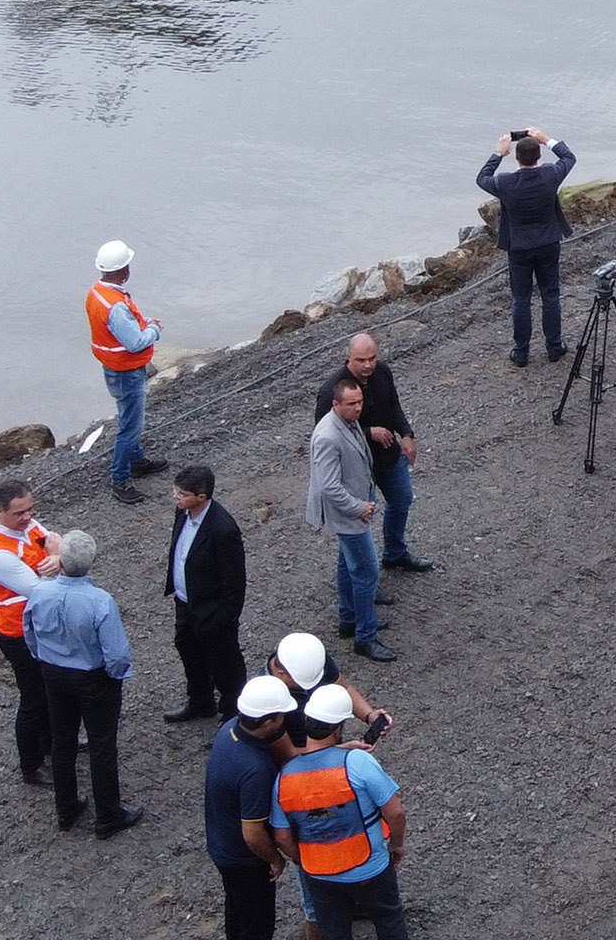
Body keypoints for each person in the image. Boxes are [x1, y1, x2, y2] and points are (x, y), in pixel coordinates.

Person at [26, 529, 142, 837]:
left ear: (59, 562)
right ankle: (108, 815)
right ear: (90, 563)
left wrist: (44, 658)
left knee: (62, 741)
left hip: (53, 672)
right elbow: (116, 653)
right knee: (101, 744)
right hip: (93, 677)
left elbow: (29, 632)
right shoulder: (100, 602)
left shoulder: (40, 593)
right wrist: (115, 676)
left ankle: (66, 809)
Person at [271, 684, 408, 938]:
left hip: (320, 876)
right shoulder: (357, 762)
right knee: (389, 920)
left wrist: (304, 860)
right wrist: (396, 845)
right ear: (338, 729)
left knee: (334, 931)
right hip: (370, 867)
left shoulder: (284, 778)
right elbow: (396, 813)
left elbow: (281, 837)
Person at [319, 333, 431, 575]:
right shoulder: (331, 390)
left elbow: (394, 406)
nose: (368, 365)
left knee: (402, 500)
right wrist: (370, 432)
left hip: (388, 455)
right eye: (361, 360)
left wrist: (407, 434)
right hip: (356, 467)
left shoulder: (383, 372)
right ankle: (360, 577)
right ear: (348, 358)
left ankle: (395, 553)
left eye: (372, 358)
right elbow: (323, 430)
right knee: (357, 524)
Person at [0, 477, 62, 789]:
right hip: (18, 634)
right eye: (19, 513)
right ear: (1, 511)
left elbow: (55, 545)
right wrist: (56, 557)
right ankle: (31, 765)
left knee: (49, 690)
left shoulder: (25, 525)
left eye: (30, 510)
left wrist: (56, 557)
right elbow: (42, 590)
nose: (28, 517)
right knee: (33, 698)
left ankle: (50, 741)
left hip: (37, 627)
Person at [207, 674, 298, 940]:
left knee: (237, 912)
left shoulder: (229, 730)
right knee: (256, 927)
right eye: (281, 715)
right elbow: (253, 833)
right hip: (246, 861)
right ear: (269, 722)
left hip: (223, 847)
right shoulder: (254, 769)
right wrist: (274, 858)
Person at [308, 376, 391, 663]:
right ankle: (365, 637)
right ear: (335, 404)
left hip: (355, 507)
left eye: (360, 402)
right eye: (352, 404)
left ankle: (348, 619)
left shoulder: (346, 421)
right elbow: (329, 486)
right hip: (349, 515)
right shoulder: (328, 436)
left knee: (347, 566)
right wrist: (358, 507)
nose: (358, 409)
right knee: (367, 572)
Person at [477, 127, 574, 365]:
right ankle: (553, 347)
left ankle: (521, 352)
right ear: (538, 156)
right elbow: (569, 158)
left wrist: (499, 153)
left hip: (519, 247)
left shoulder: (506, 183)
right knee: (550, 296)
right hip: (548, 242)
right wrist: (546, 139)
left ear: (517, 158)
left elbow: (482, 178)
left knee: (521, 299)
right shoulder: (550, 175)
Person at [165, 465, 248, 722]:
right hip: (186, 603)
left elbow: (235, 582)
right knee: (190, 652)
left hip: (211, 611)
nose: (175, 498)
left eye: (182, 494)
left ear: (202, 497)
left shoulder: (223, 530)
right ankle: (201, 702)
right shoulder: (183, 513)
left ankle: (234, 716)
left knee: (225, 665)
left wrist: (223, 620)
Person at [87, 239, 165, 505]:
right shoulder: (116, 306)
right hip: (126, 372)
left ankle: (137, 460)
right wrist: (153, 329)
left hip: (113, 369)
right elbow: (136, 342)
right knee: (130, 427)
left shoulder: (97, 293)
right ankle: (120, 479)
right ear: (123, 270)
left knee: (128, 419)